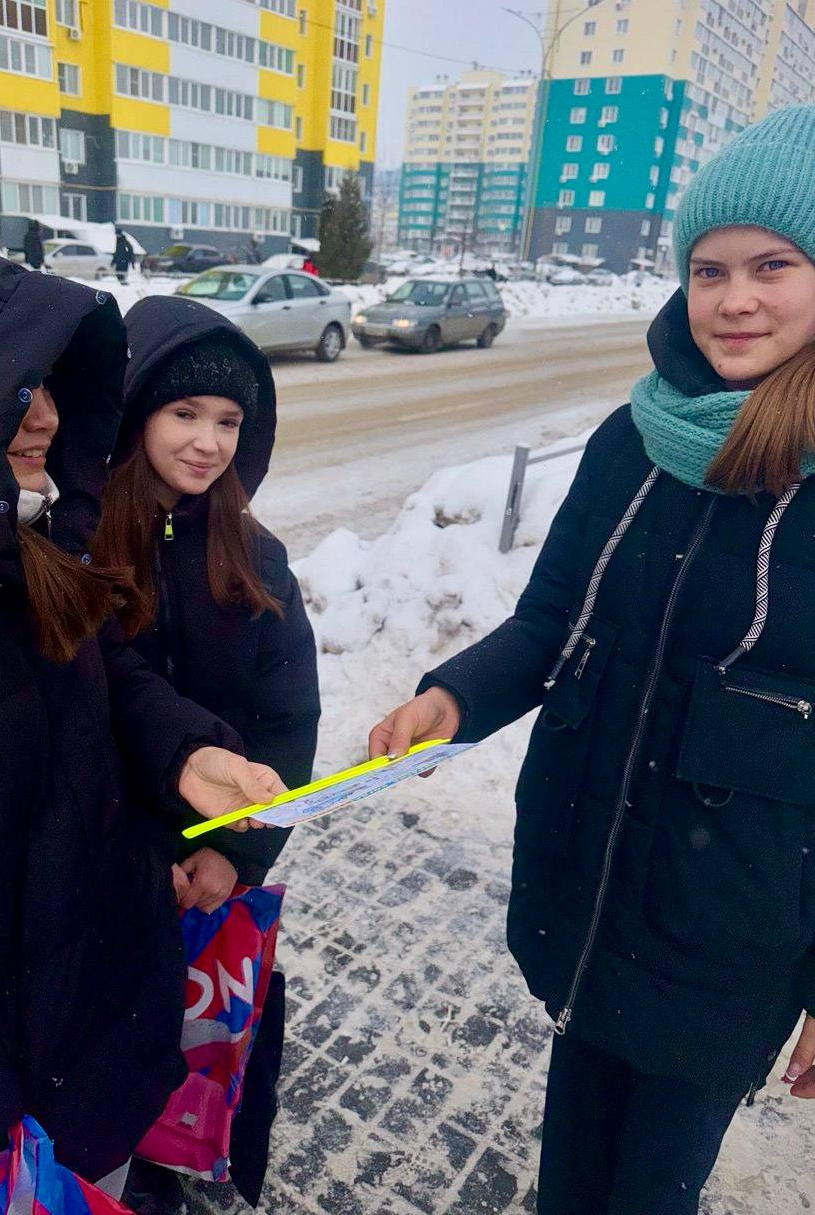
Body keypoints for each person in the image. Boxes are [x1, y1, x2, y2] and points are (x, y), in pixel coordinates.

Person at [368, 103, 815, 1214]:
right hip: (592, 895)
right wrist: (452, 698)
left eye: (773, 265)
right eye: (709, 270)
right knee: (567, 1183)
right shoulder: (636, 437)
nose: (735, 299)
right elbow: (552, 621)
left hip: (731, 940)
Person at [0, 237, 283, 1195]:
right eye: (15, 386)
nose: (46, 414)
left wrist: (186, 756)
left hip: (103, 1030)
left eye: (53, 382)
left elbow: (103, 673)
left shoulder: (18, 543)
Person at [95, 295, 320, 905]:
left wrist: (234, 853)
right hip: (103, 861)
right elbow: (78, 720)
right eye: (185, 413)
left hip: (214, 855)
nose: (208, 443)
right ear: (137, 412)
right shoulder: (79, 548)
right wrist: (137, 854)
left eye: (228, 422)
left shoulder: (256, 558)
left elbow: (287, 718)